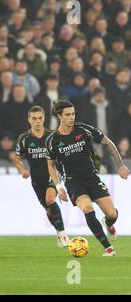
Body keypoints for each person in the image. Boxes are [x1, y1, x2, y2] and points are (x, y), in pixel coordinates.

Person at [46, 100, 130, 257]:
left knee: (112, 214)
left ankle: (108, 223)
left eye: (73, 114)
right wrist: (59, 187)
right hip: (73, 182)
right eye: (68, 115)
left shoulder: (83, 129)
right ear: (59, 116)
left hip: (91, 177)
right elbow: (50, 165)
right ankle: (108, 248)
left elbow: (108, 143)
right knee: (88, 209)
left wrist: (120, 165)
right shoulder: (52, 140)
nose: (72, 117)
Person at [12, 106, 69, 248]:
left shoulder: (52, 136)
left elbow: (62, 151)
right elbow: (16, 158)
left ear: (44, 118)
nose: (37, 121)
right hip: (37, 180)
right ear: (29, 120)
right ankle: (59, 231)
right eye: (34, 118)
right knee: (49, 209)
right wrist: (23, 170)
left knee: (50, 199)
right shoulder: (24, 139)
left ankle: (63, 234)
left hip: (52, 175)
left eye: (40, 118)